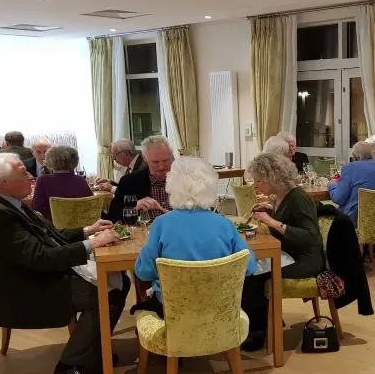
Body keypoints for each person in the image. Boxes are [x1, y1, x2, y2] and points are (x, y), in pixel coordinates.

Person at [0, 153, 125, 374]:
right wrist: (92, 244)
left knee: (118, 280)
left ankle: (93, 348)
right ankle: (70, 365)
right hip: (18, 293)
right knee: (104, 294)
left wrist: (87, 231)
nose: (31, 175)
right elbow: (39, 257)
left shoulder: (4, 202)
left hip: (26, 278)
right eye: (23, 173)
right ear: (4, 183)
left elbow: (48, 237)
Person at [133, 157, 258, 314]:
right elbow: (249, 266)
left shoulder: (161, 224)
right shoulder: (224, 224)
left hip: (173, 311)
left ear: (171, 186)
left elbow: (144, 272)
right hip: (219, 310)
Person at [241, 152, 325, 350]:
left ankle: (257, 333)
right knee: (250, 270)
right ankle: (260, 325)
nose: (256, 185)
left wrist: (273, 222)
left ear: (273, 179)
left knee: (253, 275)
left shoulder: (298, 198)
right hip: (290, 255)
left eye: (260, 181)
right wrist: (271, 212)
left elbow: (310, 236)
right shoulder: (282, 197)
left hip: (305, 261)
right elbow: (289, 223)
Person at [327, 141, 375, 224]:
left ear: (355, 156)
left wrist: (331, 184)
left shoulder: (350, 168)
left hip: (354, 223)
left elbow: (338, 198)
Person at [108, 136, 174, 222]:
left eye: (165, 161)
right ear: (145, 159)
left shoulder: (184, 180)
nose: (161, 167)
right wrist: (134, 208)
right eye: (155, 162)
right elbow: (113, 216)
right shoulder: (129, 182)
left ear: (172, 158)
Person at [31, 146, 93, 221]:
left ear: (50, 161)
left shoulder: (42, 180)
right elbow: (91, 204)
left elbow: (36, 208)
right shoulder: (81, 180)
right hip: (81, 224)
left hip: (54, 228)